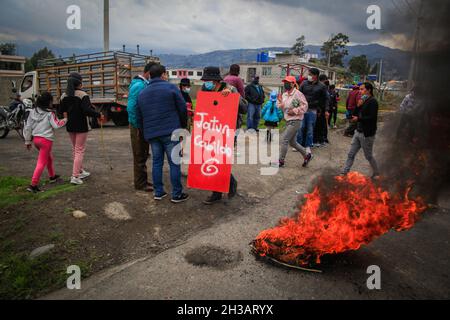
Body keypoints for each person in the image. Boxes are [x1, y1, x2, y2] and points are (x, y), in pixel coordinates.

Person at [137, 64, 189, 204]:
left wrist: (145, 132)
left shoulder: (142, 92)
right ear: (163, 75)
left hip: (152, 134)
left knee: (157, 163)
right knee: (174, 163)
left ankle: (158, 192)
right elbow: (182, 108)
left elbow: (139, 116)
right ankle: (176, 194)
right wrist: (183, 126)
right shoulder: (171, 88)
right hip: (171, 131)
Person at [199, 66, 248, 205]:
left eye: (209, 80)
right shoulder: (205, 88)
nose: (207, 83)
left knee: (221, 159)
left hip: (228, 130)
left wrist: (233, 96)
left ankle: (221, 189)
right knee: (212, 159)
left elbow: (244, 108)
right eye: (205, 80)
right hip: (210, 128)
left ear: (216, 80)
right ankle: (223, 187)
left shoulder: (230, 88)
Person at [60, 73, 103, 185]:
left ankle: (80, 170)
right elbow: (86, 111)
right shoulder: (83, 95)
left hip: (70, 126)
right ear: (79, 83)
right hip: (81, 126)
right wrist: (98, 115)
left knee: (75, 149)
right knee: (79, 150)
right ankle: (75, 176)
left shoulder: (63, 95)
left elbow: (61, 110)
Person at [24, 92, 67, 193]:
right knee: (41, 162)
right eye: (51, 101)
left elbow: (28, 127)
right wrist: (65, 120)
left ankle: (52, 176)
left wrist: (27, 141)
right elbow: (56, 125)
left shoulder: (32, 112)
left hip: (36, 140)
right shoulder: (50, 113)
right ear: (48, 102)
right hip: (46, 141)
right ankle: (33, 185)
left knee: (49, 158)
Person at [341, 82, 380, 179]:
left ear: (369, 90)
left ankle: (376, 172)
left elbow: (372, 117)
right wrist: (358, 106)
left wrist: (358, 119)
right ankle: (344, 172)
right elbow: (354, 114)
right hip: (358, 132)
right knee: (351, 154)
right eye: (360, 89)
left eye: (362, 89)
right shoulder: (362, 100)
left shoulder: (373, 101)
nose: (360, 91)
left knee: (368, 156)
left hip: (367, 134)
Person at [128, 62, 156, 193]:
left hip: (141, 125)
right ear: (149, 72)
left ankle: (143, 180)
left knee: (144, 154)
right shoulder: (139, 85)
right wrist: (138, 126)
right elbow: (132, 108)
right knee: (139, 154)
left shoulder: (143, 84)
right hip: (137, 126)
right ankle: (140, 183)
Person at [277, 76, 312, 168]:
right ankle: (307, 155)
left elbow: (305, 106)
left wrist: (295, 111)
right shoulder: (284, 95)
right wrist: (280, 102)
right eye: (284, 82)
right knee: (292, 143)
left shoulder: (298, 94)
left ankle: (281, 161)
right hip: (288, 120)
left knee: (284, 139)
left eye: (287, 82)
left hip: (296, 120)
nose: (285, 84)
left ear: (293, 83)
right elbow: (281, 106)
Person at [297, 68, 328, 153]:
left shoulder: (322, 86)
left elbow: (326, 99)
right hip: (302, 109)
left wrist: (325, 110)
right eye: (309, 74)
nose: (308, 76)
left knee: (310, 128)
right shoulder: (304, 83)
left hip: (313, 110)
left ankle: (308, 145)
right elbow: (298, 95)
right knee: (300, 127)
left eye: (310, 74)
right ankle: (298, 145)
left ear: (316, 76)